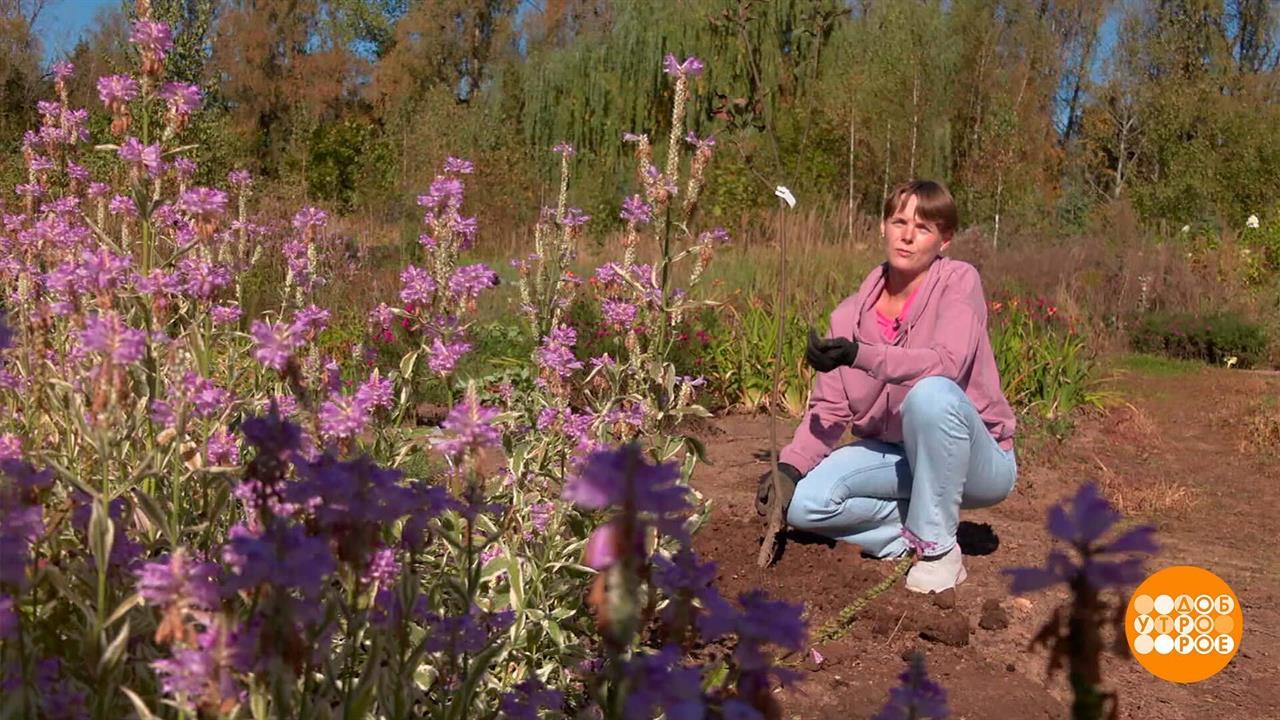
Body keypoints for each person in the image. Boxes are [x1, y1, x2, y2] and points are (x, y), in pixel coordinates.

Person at [755, 179, 1017, 593]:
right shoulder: (847, 317)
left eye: (924, 227)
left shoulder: (959, 283)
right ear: (883, 227)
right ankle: (909, 530)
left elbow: (946, 364)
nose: (908, 235)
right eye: (899, 221)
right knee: (805, 505)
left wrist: (860, 355)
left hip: (974, 461)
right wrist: (790, 466)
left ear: (944, 240)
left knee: (930, 395)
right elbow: (830, 409)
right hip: (897, 458)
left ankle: (938, 549)